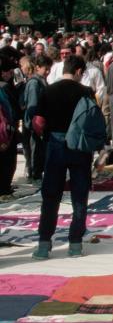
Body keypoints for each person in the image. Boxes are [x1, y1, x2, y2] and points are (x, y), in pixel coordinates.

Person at [32, 55, 95, 259]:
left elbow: (38, 121)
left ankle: (44, 243)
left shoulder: (49, 90)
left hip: (55, 143)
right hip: (80, 146)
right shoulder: (85, 92)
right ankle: (75, 243)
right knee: (79, 194)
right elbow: (93, 120)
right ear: (78, 71)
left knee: (50, 195)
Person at [21, 54, 51, 182]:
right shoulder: (34, 83)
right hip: (35, 124)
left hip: (39, 123)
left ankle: (37, 171)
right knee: (35, 151)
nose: (48, 71)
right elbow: (32, 106)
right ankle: (35, 173)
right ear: (37, 67)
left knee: (39, 150)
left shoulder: (41, 81)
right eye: (46, 69)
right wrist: (36, 124)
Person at [0, 56, 19, 198]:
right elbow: (13, 111)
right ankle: (4, 188)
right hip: (5, 130)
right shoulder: (5, 88)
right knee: (7, 160)